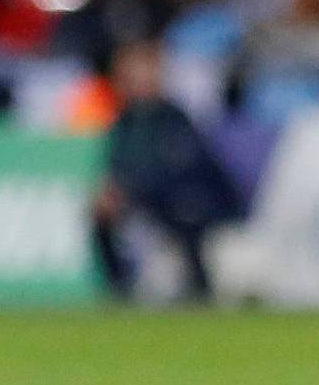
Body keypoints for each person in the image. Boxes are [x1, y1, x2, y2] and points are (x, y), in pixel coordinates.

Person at [91, 38, 243, 300]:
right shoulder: (125, 121)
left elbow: (183, 167)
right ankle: (119, 287)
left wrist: (130, 191)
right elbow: (117, 165)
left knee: (187, 211)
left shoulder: (174, 117)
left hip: (191, 197)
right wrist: (112, 191)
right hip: (147, 199)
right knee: (100, 214)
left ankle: (199, 287)